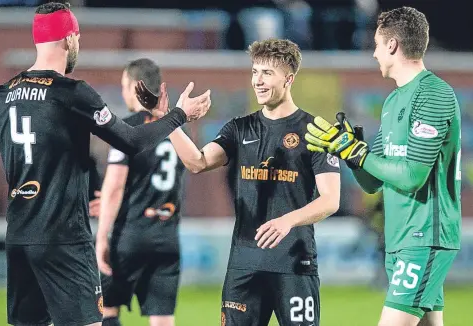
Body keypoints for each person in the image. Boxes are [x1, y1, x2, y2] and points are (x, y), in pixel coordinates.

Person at [0, 3, 210, 326]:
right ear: (69, 39)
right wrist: (180, 114)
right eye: (78, 38)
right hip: (65, 241)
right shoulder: (73, 93)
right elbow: (130, 140)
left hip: (19, 241)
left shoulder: (0, 96)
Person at [136, 38, 341, 326]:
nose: (257, 80)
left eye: (267, 73)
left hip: (294, 265)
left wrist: (288, 221)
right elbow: (197, 162)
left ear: (289, 78)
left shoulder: (315, 131)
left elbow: (331, 199)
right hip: (244, 265)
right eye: (255, 72)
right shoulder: (239, 128)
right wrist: (167, 119)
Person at [305, 7, 461, 326]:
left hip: (424, 237)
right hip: (400, 239)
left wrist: (359, 153)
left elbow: (412, 177)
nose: (373, 53)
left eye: (376, 44)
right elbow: (372, 182)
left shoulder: (433, 95)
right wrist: (349, 152)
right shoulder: (392, 102)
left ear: (392, 46)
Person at [92, 58, 186, 326]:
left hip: (130, 235)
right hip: (167, 236)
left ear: (135, 87)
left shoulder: (126, 127)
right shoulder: (178, 129)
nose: (122, 92)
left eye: (124, 85)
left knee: (107, 310)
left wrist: (101, 236)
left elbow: (114, 187)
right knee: (162, 319)